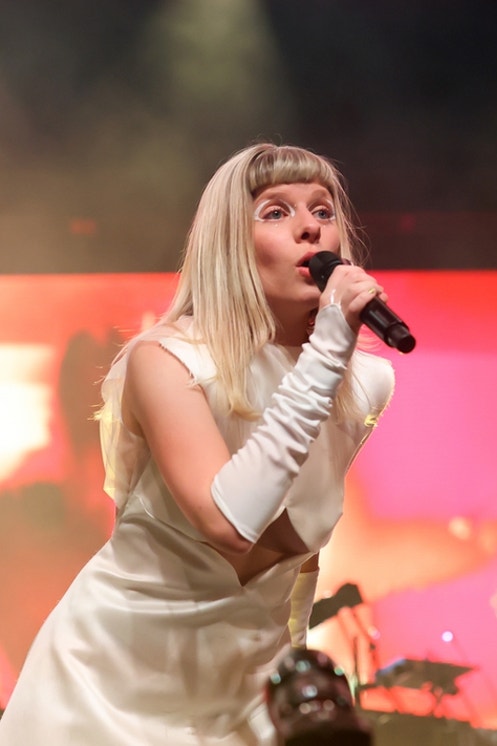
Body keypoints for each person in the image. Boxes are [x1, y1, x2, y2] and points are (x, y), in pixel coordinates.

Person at [0, 143, 396, 744]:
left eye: (322, 209)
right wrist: (327, 350)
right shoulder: (165, 360)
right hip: (109, 688)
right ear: (228, 245)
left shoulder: (365, 384)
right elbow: (231, 522)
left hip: (239, 696)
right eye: (274, 212)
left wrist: (288, 676)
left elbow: (297, 560)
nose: (310, 225)